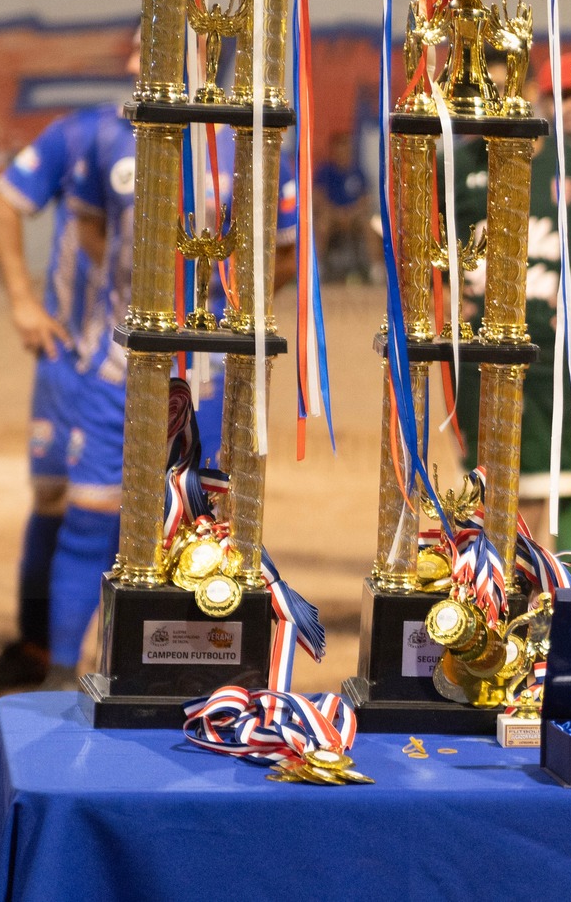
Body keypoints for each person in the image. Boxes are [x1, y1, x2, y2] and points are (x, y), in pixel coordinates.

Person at [57, 120, 298, 687]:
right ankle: (62, 670)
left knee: (202, 528)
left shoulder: (249, 140)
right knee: (89, 518)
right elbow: (89, 224)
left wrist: (227, 305)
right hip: (119, 362)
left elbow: (282, 253)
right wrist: (136, 288)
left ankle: (197, 670)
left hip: (211, 372)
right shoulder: (108, 136)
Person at [0, 101, 115, 689]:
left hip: (158, 361)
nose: (139, 56)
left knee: (168, 507)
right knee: (56, 498)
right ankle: (39, 647)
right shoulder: (83, 132)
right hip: (71, 356)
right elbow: (1, 199)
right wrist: (22, 301)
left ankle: (142, 660)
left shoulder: (215, 147)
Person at [449, 54, 571, 545]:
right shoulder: (457, 165)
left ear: (530, 93)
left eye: (508, 90)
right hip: (478, 346)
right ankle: (483, 565)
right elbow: (417, 242)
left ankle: (520, 571)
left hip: (548, 345)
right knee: (484, 465)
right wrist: (447, 298)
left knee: (540, 469)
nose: (498, 106)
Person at [313, 130, 375, 283]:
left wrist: (350, 214)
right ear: (333, 150)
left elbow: (366, 200)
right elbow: (318, 198)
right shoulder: (324, 171)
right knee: (322, 225)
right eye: (339, 147)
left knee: (370, 225)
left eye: (346, 147)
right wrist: (337, 214)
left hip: (353, 217)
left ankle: (375, 269)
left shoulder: (357, 171)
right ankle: (316, 268)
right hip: (332, 216)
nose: (343, 151)